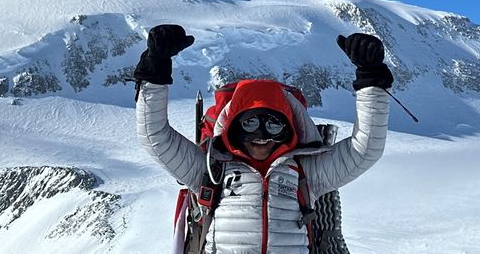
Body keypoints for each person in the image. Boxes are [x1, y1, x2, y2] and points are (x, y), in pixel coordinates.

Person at [134, 24, 393, 254]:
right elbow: (154, 135)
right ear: (233, 127)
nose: (261, 136)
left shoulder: (307, 173)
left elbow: (365, 148)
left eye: (273, 124)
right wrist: (154, 69)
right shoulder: (210, 169)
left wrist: (371, 79)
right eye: (249, 124)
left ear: (289, 130)